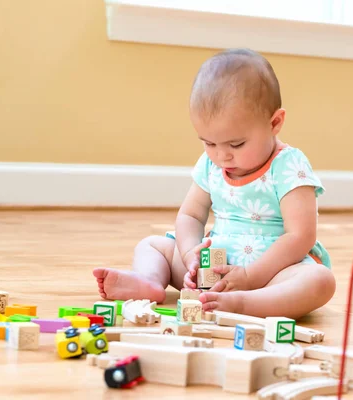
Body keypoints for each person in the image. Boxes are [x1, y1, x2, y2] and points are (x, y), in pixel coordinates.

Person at [93, 48, 336, 319]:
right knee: (151, 245)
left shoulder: (289, 165)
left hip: (271, 272)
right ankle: (150, 282)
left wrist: (249, 276)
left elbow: (300, 236)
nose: (222, 155)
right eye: (209, 143)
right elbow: (191, 214)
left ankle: (245, 303)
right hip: (214, 265)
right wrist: (188, 255)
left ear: (275, 123)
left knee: (320, 281)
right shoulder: (211, 164)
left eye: (236, 144)